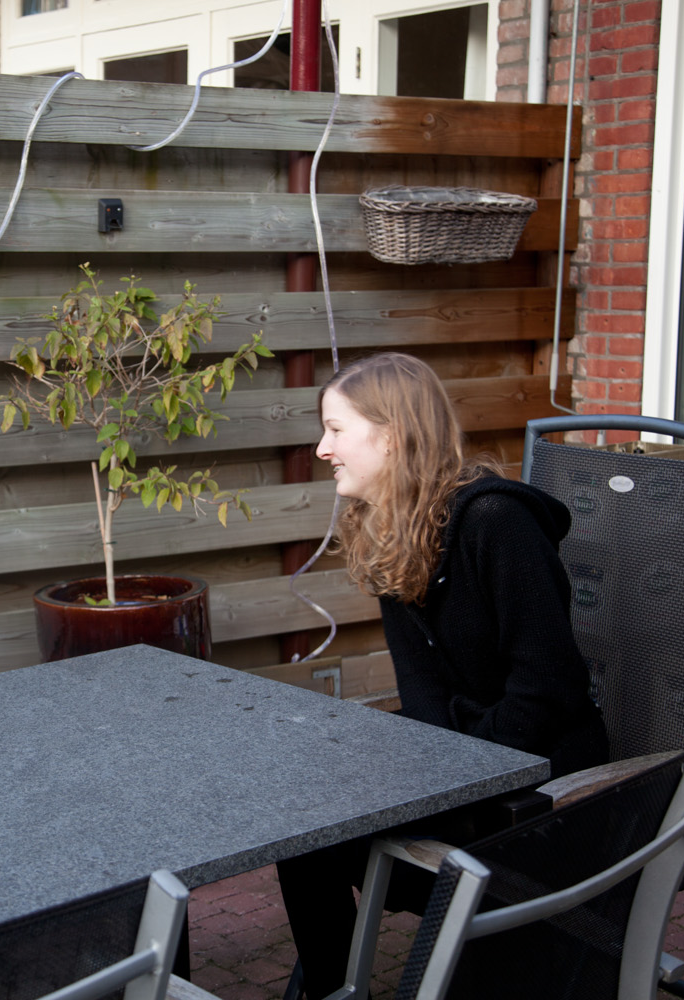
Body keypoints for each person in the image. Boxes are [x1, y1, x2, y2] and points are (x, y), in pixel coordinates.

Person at [278, 352, 609, 996]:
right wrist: (433, 768)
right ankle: (332, 990)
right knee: (302, 826)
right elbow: (423, 692)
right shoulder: (390, 529)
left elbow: (548, 688)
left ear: (392, 434)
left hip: (541, 798)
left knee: (324, 835)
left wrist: (456, 774)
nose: (322, 449)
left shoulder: (497, 524)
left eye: (336, 429)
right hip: (466, 770)